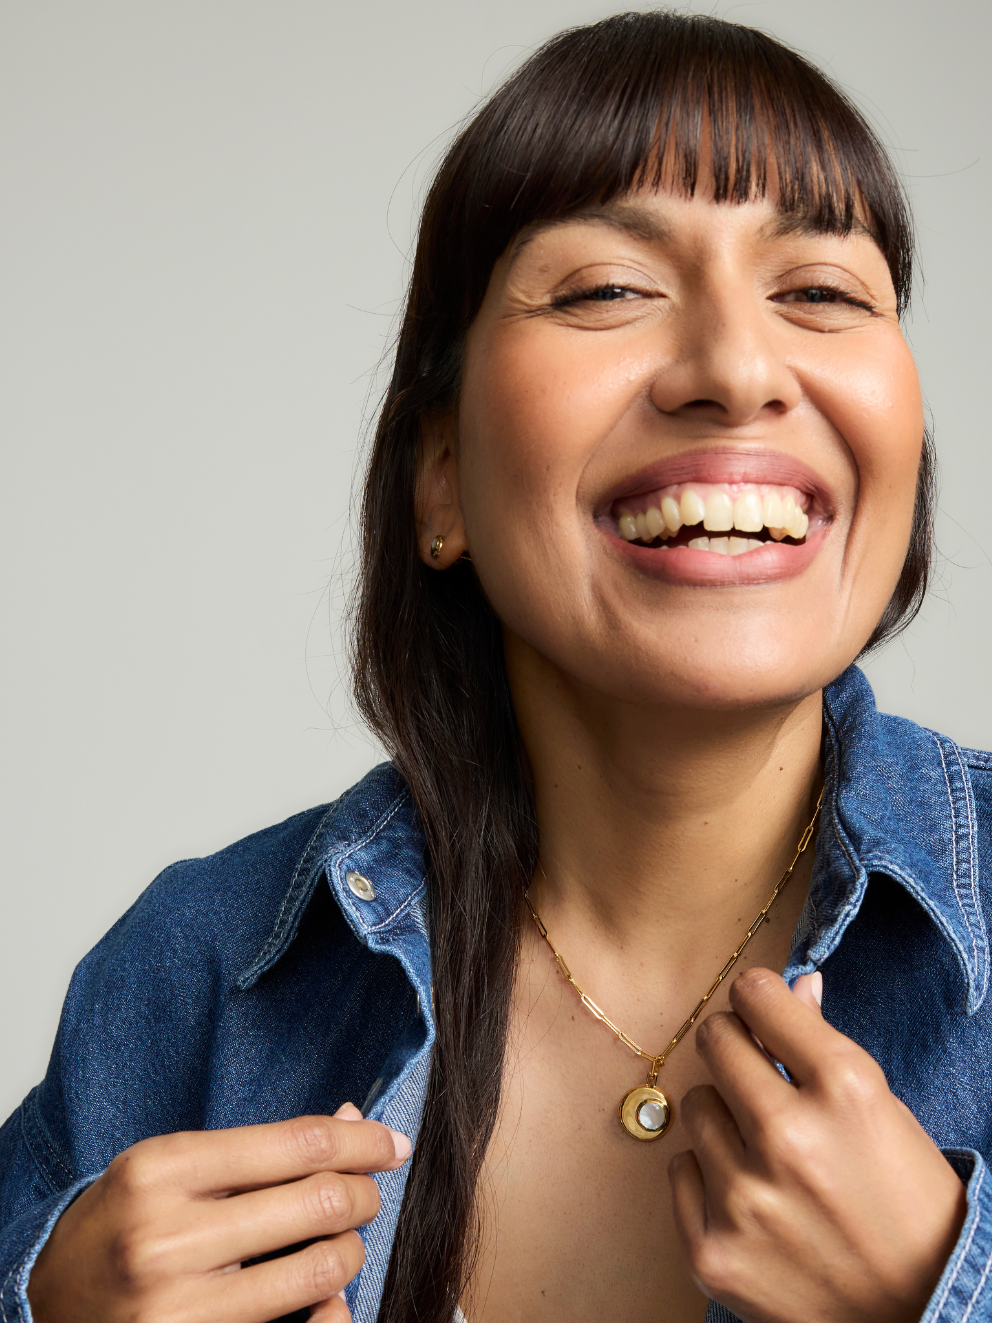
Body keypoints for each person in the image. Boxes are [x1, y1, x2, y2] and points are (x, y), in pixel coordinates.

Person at [2, 9, 990, 1323]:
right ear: (440, 479)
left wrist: (946, 1291)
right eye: (607, 290)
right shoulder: (191, 973)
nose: (740, 368)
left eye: (820, 292)